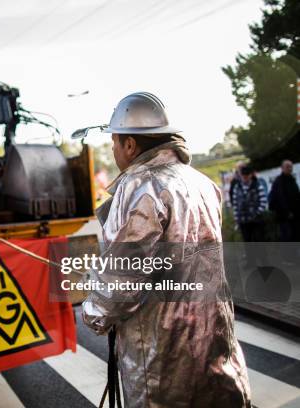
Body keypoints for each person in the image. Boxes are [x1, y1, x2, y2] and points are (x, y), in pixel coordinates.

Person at [81, 92, 250, 407]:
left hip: (161, 351)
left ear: (130, 145)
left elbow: (121, 280)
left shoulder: (139, 188)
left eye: (115, 142)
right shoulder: (202, 182)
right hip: (213, 340)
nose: (114, 150)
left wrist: (94, 312)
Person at [231, 165, 268, 266]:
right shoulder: (237, 187)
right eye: (243, 175)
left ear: (251, 175)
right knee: (247, 242)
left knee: (259, 241)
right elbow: (235, 204)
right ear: (241, 175)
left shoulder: (257, 185)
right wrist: (236, 218)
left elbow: (263, 201)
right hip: (243, 220)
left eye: (247, 175)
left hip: (256, 220)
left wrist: (256, 213)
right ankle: (251, 262)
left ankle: (264, 262)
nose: (245, 177)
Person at [269, 160, 300, 242]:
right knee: (287, 237)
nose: (290, 169)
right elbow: (280, 198)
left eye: (291, 167)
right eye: (287, 167)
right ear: (282, 168)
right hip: (284, 216)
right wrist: (287, 212)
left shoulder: (292, 179)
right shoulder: (279, 181)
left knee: (296, 236)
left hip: (295, 215)